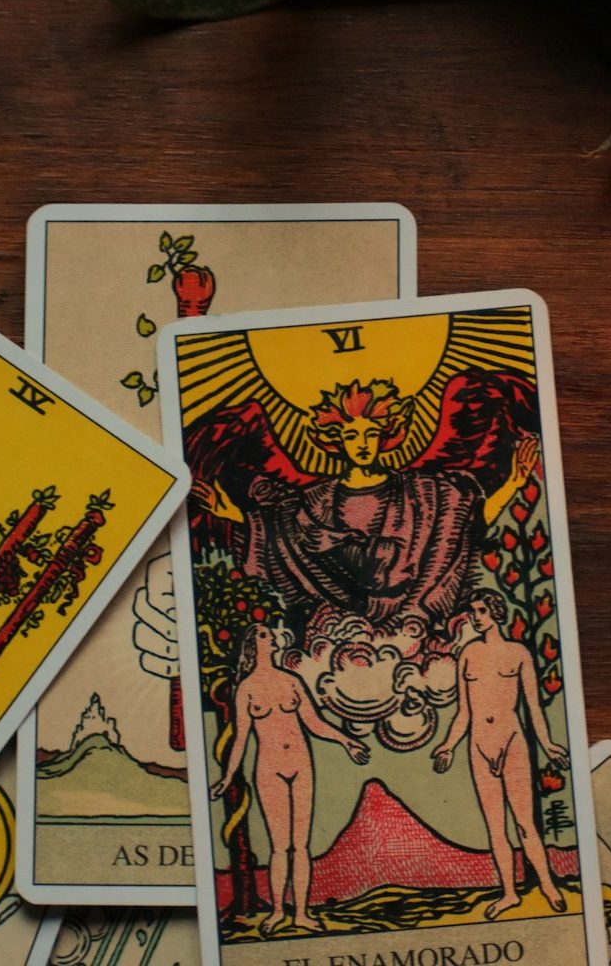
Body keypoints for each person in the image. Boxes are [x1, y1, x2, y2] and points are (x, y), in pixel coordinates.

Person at [192, 379, 538, 638]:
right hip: (335, 634)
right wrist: (229, 512)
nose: (362, 444)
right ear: (335, 441)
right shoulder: (316, 499)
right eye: (351, 436)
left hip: (414, 630)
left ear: (386, 437)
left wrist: (514, 483)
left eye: (370, 434)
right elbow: (283, 535)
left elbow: (465, 527)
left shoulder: (424, 492)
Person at [211, 623, 370, 934]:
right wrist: (228, 776)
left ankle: (301, 913)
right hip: (269, 768)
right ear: (252, 644)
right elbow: (241, 738)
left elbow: (314, 723)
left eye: (270, 635)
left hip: (300, 764)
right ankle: (276, 912)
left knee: (301, 844)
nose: (270, 637)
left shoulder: (291, 681)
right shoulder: (246, 689)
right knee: (279, 846)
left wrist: (346, 741)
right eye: (263, 635)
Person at [432, 589, 569, 918]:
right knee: (496, 827)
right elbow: (463, 712)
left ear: (495, 611)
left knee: (525, 824)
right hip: (478, 745)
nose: (475, 617)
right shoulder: (468, 654)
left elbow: (533, 708)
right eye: (472, 612)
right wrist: (448, 745)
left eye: (481, 610)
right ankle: (509, 893)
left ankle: (548, 886)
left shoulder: (518, 653)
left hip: (512, 742)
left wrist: (547, 744)